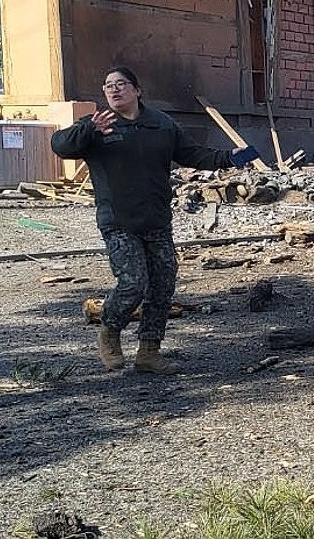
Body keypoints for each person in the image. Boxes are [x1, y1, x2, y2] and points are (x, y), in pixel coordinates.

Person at [50, 66, 259, 374]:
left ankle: (149, 352)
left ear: (137, 91)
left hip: (156, 220)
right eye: (108, 85)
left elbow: (192, 154)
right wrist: (88, 131)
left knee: (162, 286)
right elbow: (60, 145)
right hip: (118, 220)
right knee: (133, 283)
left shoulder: (161, 124)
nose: (114, 89)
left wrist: (231, 157)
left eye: (121, 84)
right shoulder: (97, 125)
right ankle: (109, 331)